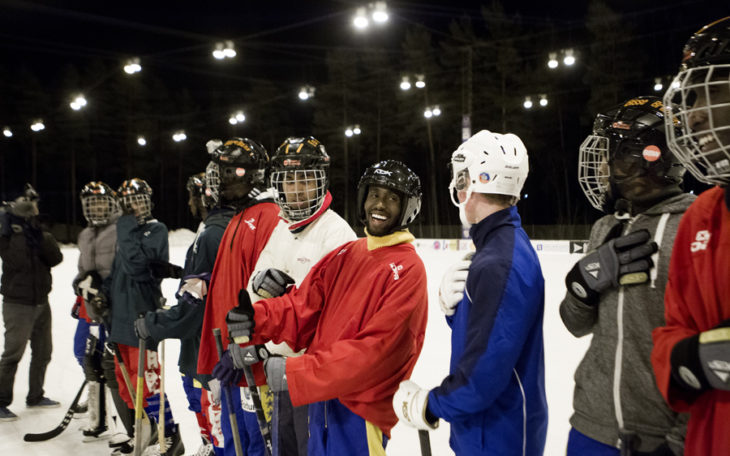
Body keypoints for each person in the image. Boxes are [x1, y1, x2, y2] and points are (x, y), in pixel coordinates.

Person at [220, 160, 428, 456]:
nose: (379, 204)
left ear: (409, 208)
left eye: (392, 198)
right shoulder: (348, 253)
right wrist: (257, 319)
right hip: (322, 403)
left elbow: (376, 352)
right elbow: (302, 306)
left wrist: (297, 372)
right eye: (374, 194)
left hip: (360, 414)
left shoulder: (407, 269)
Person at [393, 130, 547, 455]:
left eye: (462, 177)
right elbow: (492, 336)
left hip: (497, 437)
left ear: (478, 180)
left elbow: (483, 377)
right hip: (485, 432)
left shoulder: (498, 262)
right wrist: (457, 313)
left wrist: (430, 404)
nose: (458, 186)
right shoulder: (498, 247)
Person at [560, 97, 693, 455]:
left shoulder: (694, 229)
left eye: (616, 153)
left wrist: (680, 440)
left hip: (657, 438)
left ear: (653, 159)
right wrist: (582, 286)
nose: (605, 165)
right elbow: (574, 324)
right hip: (590, 425)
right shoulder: (605, 227)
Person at [245, 136, 356, 456]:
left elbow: (339, 315)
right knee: (285, 448)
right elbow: (254, 288)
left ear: (321, 181)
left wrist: (288, 296)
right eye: (289, 181)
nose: (296, 190)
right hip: (280, 370)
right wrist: (260, 287)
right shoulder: (281, 228)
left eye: (305, 180)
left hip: (316, 375)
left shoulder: (337, 235)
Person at [651, 17, 730, 455]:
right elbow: (671, 333)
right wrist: (688, 359)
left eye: (710, 92)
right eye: (692, 96)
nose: (694, 114)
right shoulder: (702, 213)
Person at [133, 169, 234, 456]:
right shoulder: (215, 229)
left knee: (218, 426)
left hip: (209, 351)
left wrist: (157, 323)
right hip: (206, 349)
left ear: (204, 197)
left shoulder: (212, 235)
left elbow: (196, 306)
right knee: (208, 421)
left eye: (192, 197)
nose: (189, 203)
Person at [196, 137, 280, 456]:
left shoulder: (268, 217)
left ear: (250, 176)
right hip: (229, 359)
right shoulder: (238, 217)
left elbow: (268, 298)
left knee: (257, 445)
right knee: (235, 443)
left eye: (226, 173)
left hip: (251, 362)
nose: (218, 181)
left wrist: (245, 349)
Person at [89, 177, 183, 455]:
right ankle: (144, 433)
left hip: (143, 318)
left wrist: (125, 226)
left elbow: (138, 268)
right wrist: (103, 294)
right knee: (127, 384)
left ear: (148, 202)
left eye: (139, 201)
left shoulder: (156, 229)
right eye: (129, 203)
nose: (134, 207)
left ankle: (169, 435)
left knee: (149, 382)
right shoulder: (128, 233)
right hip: (119, 320)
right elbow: (119, 272)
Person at [72, 181, 132, 446]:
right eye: (92, 204)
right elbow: (83, 269)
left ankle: (124, 425)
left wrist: (107, 292)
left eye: (100, 203)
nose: (96, 208)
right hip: (93, 310)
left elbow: (126, 269)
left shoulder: (120, 230)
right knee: (90, 361)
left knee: (114, 368)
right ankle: (98, 419)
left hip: (115, 310)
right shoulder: (85, 235)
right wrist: (80, 284)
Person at [0, 184, 63, 421]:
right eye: (28, 203)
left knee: (43, 352)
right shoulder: (7, 234)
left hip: (41, 302)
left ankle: (35, 395)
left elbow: (55, 258)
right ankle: (0, 401)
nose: (33, 207)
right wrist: (17, 228)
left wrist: (38, 233)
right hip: (18, 304)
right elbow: (16, 261)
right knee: (12, 355)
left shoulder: (38, 232)